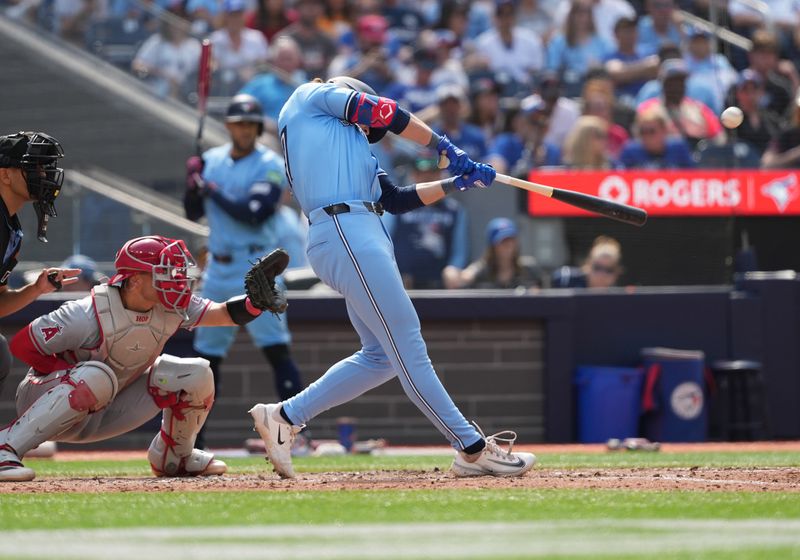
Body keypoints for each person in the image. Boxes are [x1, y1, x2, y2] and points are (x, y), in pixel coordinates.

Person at [249, 75, 535, 479]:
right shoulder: (312, 96)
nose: (368, 131)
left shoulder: (343, 144)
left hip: (356, 232)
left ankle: (285, 415)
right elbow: (383, 110)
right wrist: (444, 147)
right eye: (365, 125)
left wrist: (457, 182)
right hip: (345, 230)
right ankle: (471, 447)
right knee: (407, 342)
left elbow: (395, 200)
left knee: (382, 356)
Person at [0, 235, 277, 481]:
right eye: (165, 272)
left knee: (197, 374)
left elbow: (224, 314)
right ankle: (7, 447)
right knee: (97, 376)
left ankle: (174, 457)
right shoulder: (85, 313)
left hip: (107, 402)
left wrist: (255, 303)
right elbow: (23, 345)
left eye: (177, 271)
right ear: (134, 280)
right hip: (44, 400)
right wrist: (75, 381)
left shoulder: (170, 305)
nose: (177, 280)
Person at [184, 94, 306, 449]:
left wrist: (209, 187)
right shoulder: (211, 161)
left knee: (276, 349)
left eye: (250, 124)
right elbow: (192, 212)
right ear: (229, 126)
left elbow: (254, 211)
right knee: (206, 360)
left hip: (258, 268)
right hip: (218, 268)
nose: (244, 130)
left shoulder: (269, 163)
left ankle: (296, 432)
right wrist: (191, 180)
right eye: (238, 123)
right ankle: (193, 441)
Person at [0, 132, 80, 398]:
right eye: (33, 167)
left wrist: (36, 289)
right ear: (5, 174)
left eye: (45, 167)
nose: (44, 175)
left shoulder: (10, 227)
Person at [383, 152, 470, 290]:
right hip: (402, 285)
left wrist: (454, 267)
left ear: (441, 176)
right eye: (422, 173)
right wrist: (393, 271)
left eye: (433, 173)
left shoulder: (454, 210)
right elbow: (383, 243)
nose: (428, 177)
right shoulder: (397, 205)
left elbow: (459, 250)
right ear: (413, 175)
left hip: (440, 286)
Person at [448, 217, 542, 290]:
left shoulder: (529, 269)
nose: (509, 245)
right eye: (503, 241)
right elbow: (463, 278)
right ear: (493, 246)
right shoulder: (480, 271)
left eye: (511, 240)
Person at [546, 0, 614, 97]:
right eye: (578, 13)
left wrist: (598, 66)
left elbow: (611, 66)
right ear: (571, 16)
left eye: (586, 13)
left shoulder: (602, 42)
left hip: (595, 89)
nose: (582, 18)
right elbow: (552, 69)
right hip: (567, 89)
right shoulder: (559, 42)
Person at [619, 106, 695, 169]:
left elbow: (692, 176)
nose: (647, 136)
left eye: (651, 131)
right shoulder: (630, 152)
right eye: (643, 132)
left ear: (664, 131)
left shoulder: (678, 149)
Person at [552, 235, 622, 288]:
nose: (602, 274)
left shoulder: (621, 298)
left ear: (616, 273)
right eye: (597, 267)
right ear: (588, 266)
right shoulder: (567, 280)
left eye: (609, 270)